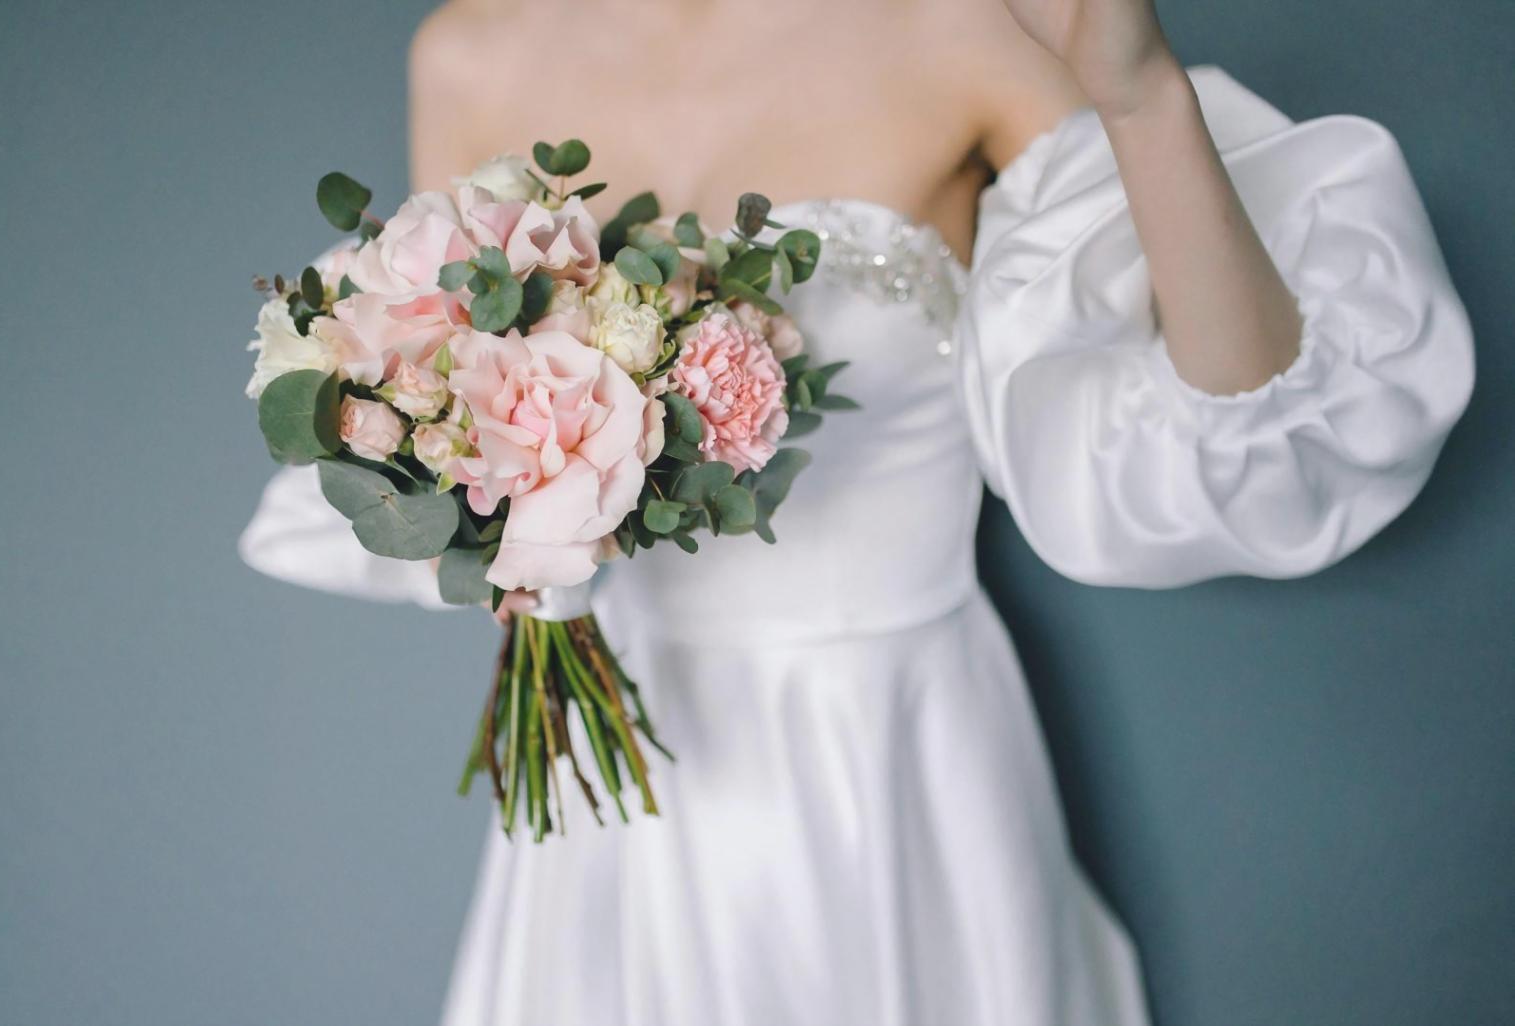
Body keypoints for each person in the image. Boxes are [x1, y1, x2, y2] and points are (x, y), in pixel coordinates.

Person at [239, 0, 1475, 1021]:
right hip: (622, 804)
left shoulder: (969, 27)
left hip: (900, 756)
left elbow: (1239, 413)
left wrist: (1145, 98)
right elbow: (467, 432)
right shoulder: (466, 52)